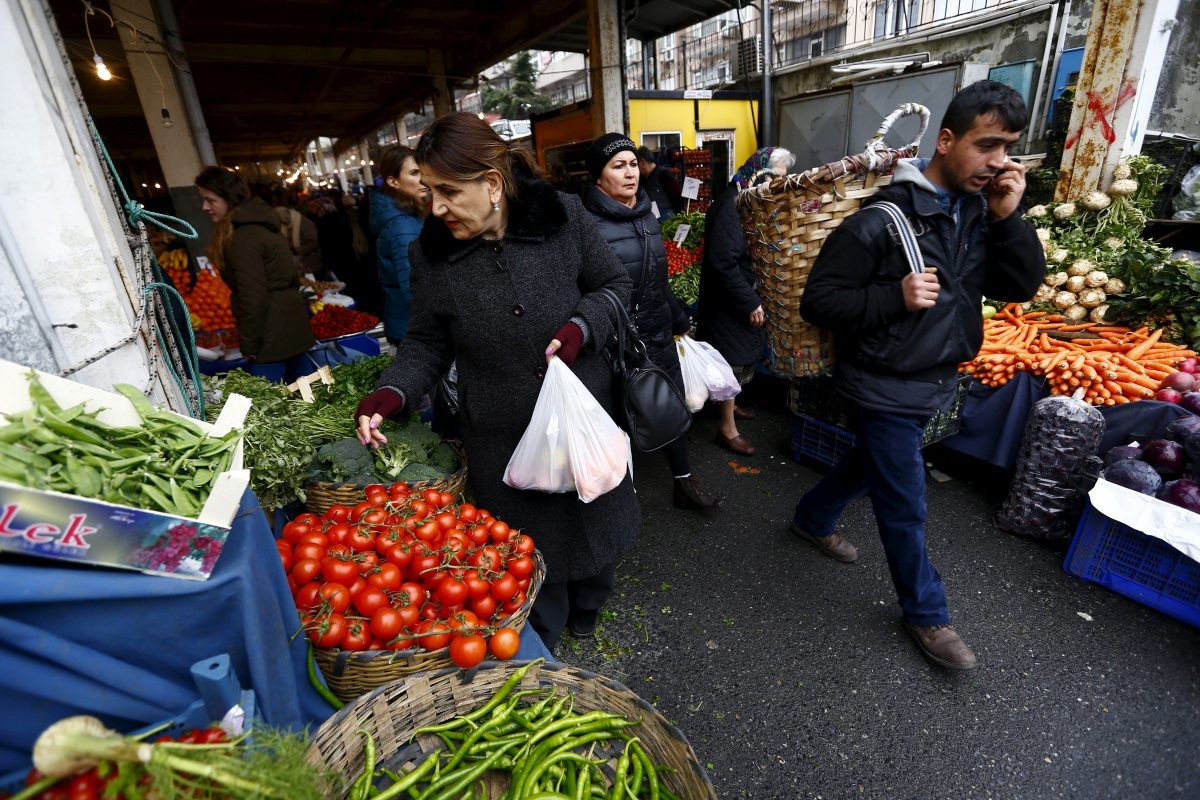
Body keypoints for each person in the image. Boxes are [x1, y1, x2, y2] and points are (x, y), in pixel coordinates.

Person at [353, 112, 640, 651]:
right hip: (503, 435)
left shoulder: (563, 219)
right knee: (532, 555)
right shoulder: (430, 255)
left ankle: (592, 603)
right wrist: (393, 392)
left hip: (583, 416)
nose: (434, 207)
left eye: (447, 192)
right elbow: (427, 344)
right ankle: (546, 634)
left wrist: (582, 327)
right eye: (428, 191)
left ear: (491, 183)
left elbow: (613, 284)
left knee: (597, 522)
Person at [790, 80, 1045, 670]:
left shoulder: (979, 213)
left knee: (872, 463)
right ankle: (927, 614)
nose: (998, 162)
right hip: (884, 381)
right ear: (947, 140)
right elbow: (819, 302)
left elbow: (1018, 288)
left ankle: (812, 518)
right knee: (905, 501)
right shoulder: (881, 220)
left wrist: (1010, 219)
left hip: (937, 376)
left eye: (1007, 148)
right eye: (986, 146)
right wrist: (893, 298)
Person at [582, 134, 721, 511]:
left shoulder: (647, 213)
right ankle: (620, 501)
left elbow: (658, 278)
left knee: (669, 407)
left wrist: (677, 317)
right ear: (598, 177)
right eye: (617, 166)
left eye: (632, 164)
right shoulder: (585, 225)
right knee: (618, 419)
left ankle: (684, 481)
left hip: (657, 333)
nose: (630, 173)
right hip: (617, 343)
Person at [695, 149, 794, 456]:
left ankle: (730, 406)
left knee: (738, 358)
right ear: (757, 170)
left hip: (737, 293)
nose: (776, 182)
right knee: (731, 363)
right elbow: (722, 262)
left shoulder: (748, 199)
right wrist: (750, 302)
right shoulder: (732, 204)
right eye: (773, 175)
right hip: (728, 300)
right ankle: (726, 429)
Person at [194, 166, 315, 382]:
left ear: (228, 198)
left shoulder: (243, 238)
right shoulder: (259, 224)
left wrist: (250, 344)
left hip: (271, 334)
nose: (204, 207)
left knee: (266, 405)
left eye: (210, 200)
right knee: (309, 393)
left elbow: (252, 294)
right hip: (289, 323)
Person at [369, 145, 427, 347]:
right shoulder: (401, 225)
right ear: (393, 181)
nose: (423, 179)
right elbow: (413, 287)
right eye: (414, 173)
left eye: (422, 170)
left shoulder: (407, 217)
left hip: (407, 327)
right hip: (414, 332)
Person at [635, 146, 682, 220]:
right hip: (651, 218)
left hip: (667, 218)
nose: (636, 168)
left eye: (637, 164)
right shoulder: (642, 178)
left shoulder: (664, 174)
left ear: (643, 162)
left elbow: (677, 196)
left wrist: (679, 216)